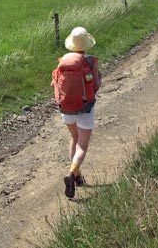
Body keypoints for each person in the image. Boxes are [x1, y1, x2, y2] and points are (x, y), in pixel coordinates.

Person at [52, 26, 101, 199]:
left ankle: (78, 177)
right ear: (86, 44)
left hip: (66, 108)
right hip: (85, 107)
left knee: (74, 138)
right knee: (83, 144)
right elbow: (95, 85)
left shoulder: (62, 60)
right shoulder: (91, 61)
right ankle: (72, 174)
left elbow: (54, 84)